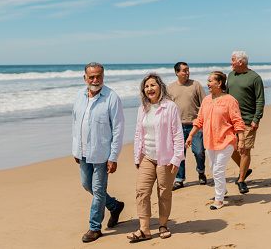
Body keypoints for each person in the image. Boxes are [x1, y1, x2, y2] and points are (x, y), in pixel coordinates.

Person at [127, 73, 185, 242]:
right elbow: (139, 133)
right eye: (146, 86)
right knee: (142, 191)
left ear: (160, 87)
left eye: (153, 85)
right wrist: (137, 156)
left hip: (166, 157)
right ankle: (144, 230)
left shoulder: (170, 107)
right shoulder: (142, 108)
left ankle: (163, 225)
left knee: (164, 192)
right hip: (146, 156)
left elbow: (178, 134)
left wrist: (177, 158)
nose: (149, 89)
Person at [72, 62, 125, 243]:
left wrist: (113, 156)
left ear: (103, 76)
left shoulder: (111, 97)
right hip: (84, 152)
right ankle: (114, 205)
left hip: (102, 153)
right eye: (92, 77)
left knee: (98, 190)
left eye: (99, 76)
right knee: (87, 185)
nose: (95, 80)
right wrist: (76, 149)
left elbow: (118, 129)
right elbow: (75, 123)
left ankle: (95, 227)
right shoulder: (79, 95)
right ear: (85, 77)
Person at [185, 71, 245, 209]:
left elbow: (237, 121)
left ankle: (219, 199)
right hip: (209, 141)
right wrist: (191, 135)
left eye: (211, 81)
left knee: (218, 170)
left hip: (226, 140)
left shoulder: (230, 100)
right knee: (213, 169)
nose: (208, 84)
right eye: (208, 80)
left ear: (219, 83)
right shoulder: (206, 100)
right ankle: (223, 190)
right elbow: (199, 120)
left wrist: (240, 140)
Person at [227, 51, 265, 194]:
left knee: (244, 150)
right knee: (230, 149)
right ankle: (245, 169)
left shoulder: (255, 78)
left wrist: (256, 118)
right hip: (231, 121)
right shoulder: (231, 76)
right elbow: (226, 97)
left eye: (232, 60)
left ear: (240, 62)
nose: (230, 63)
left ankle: (241, 180)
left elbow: (260, 99)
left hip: (248, 121)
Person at [168, 62, 207, 190]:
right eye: (184, 70)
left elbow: (204, 104)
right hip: (177, 127)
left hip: (195, 125)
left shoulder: (195, 85)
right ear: (177, 72)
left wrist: (204, 122)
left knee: (199, 151)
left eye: (188, 70)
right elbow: (168, 109)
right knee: (179, 154)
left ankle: (201, 172)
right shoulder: (170, 88)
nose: (187, 72)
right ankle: (179, 180)